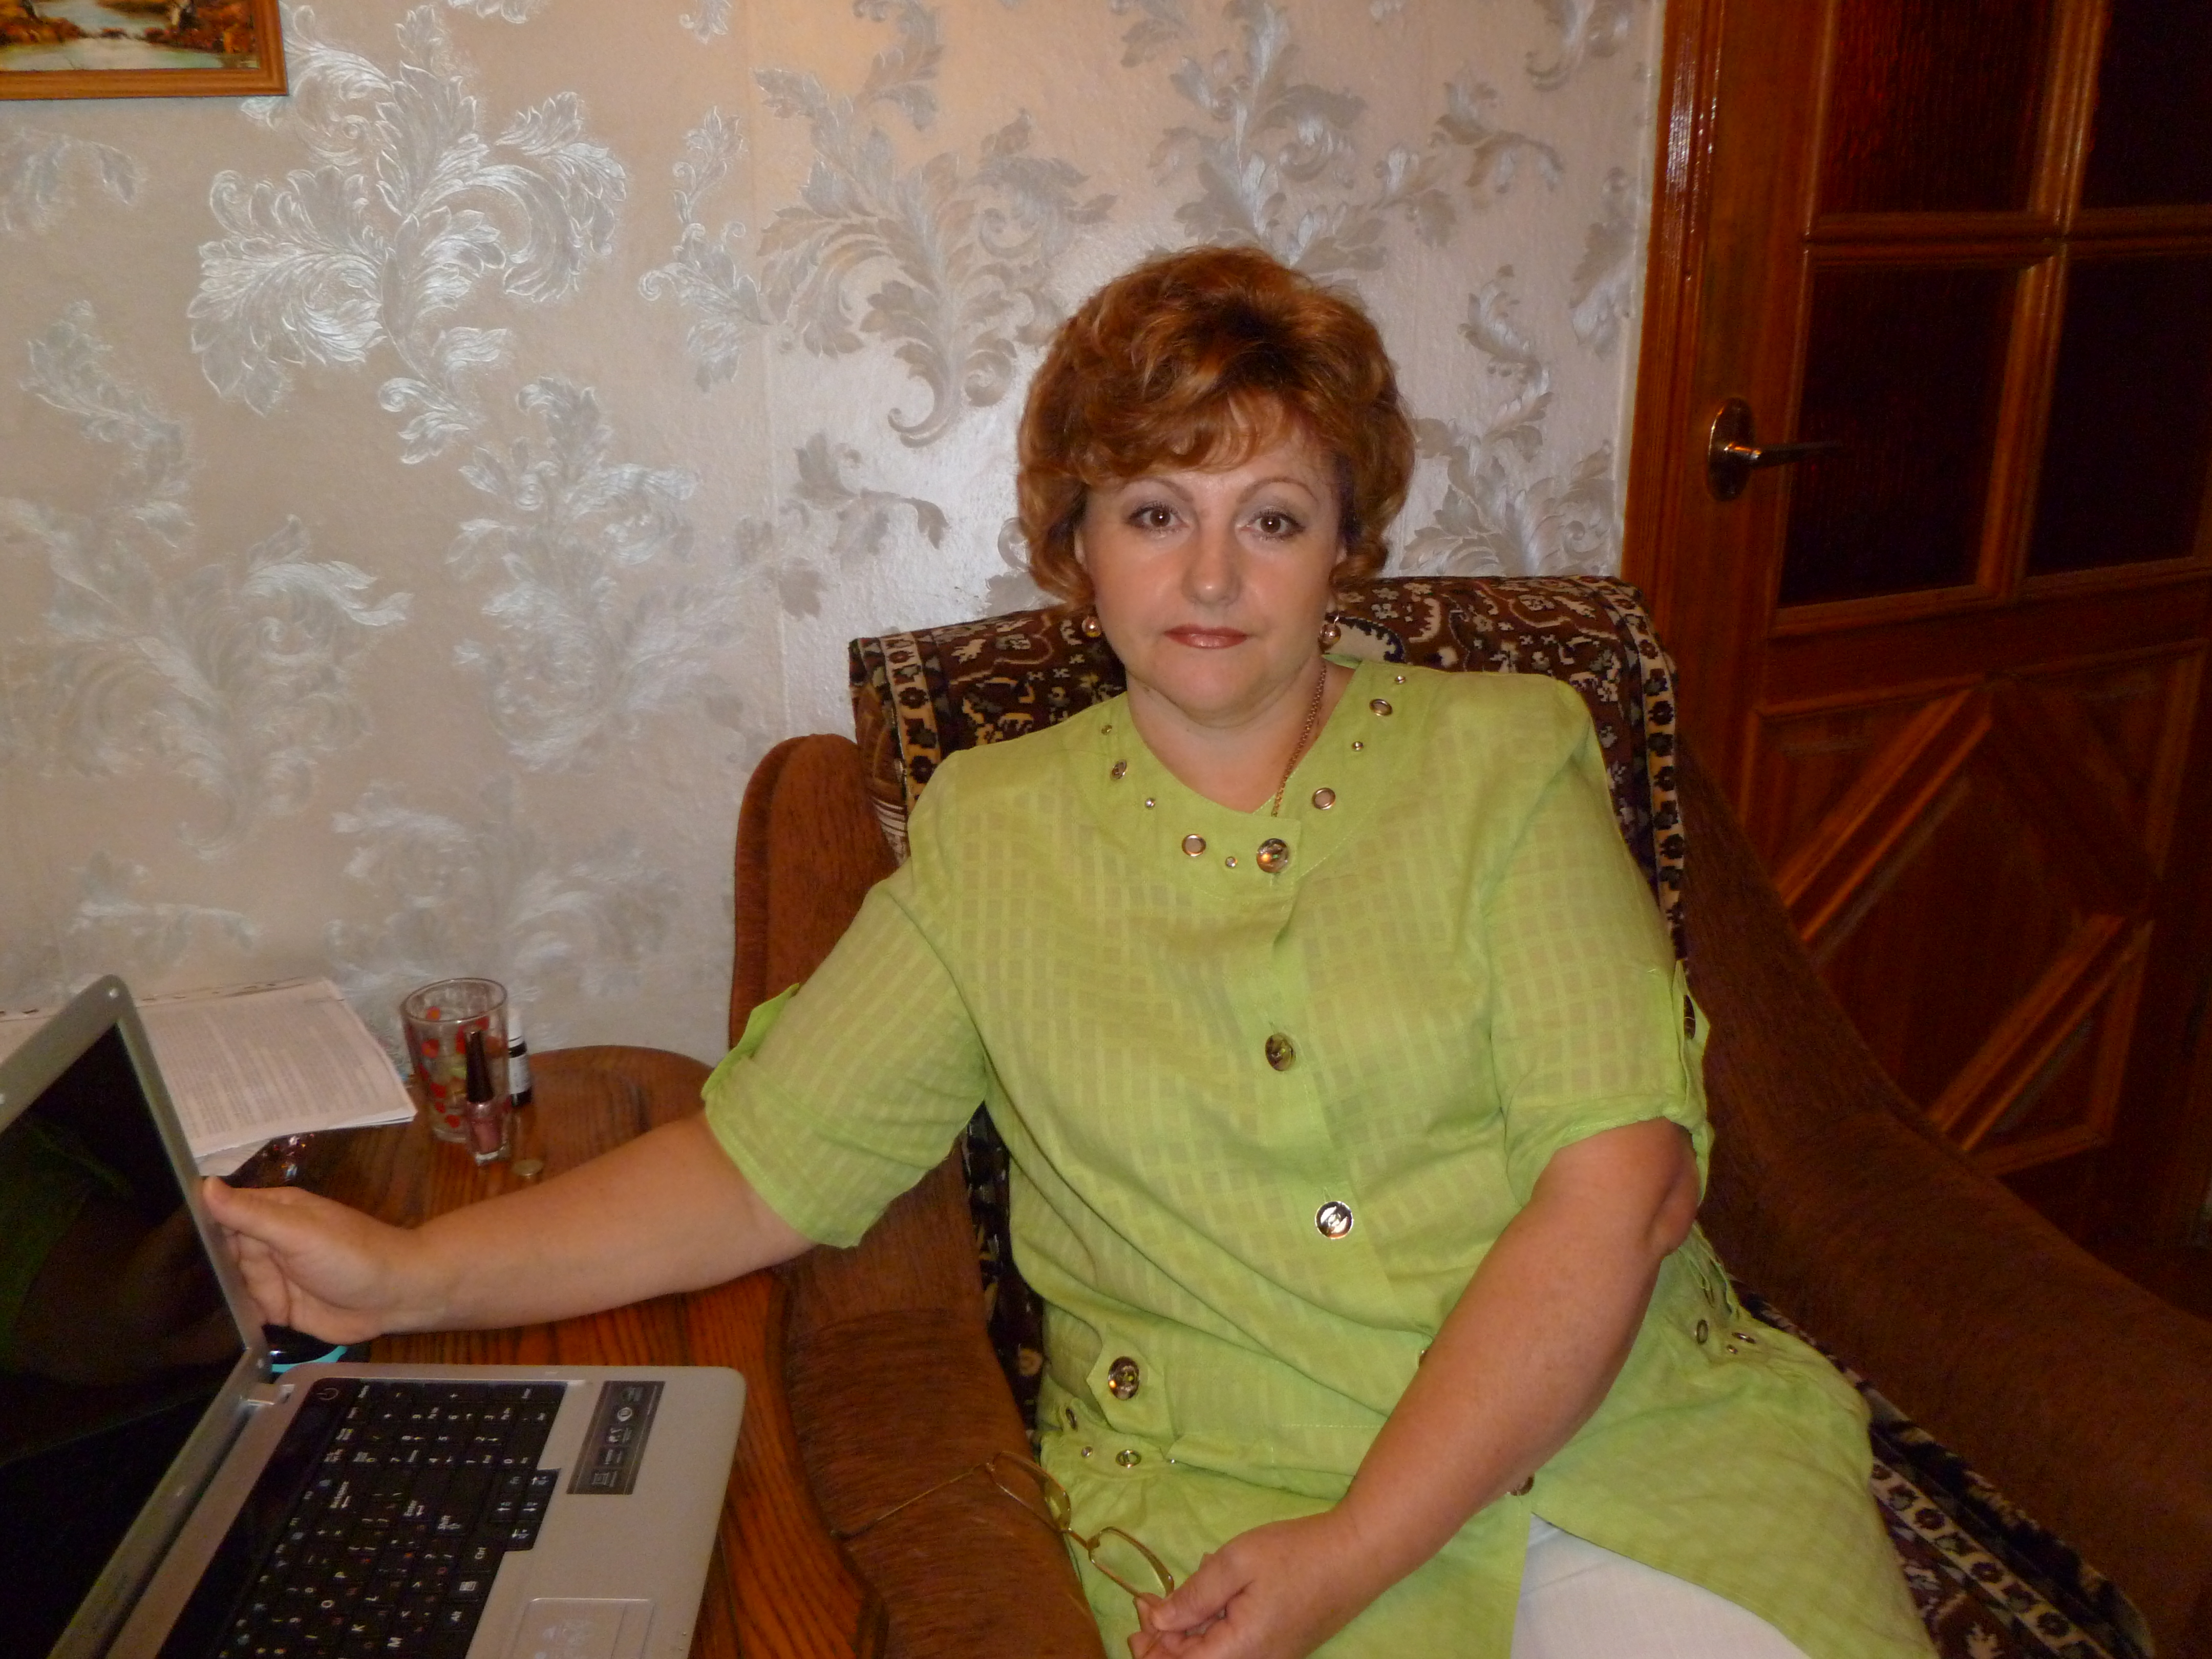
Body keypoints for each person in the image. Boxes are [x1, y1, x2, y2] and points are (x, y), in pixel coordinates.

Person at [205, 246, 1934, 1659]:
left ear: (1346, 548)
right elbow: (763, 1164)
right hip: (1227, 1506)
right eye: (1156, 511)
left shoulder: (1507, 757)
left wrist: (1356, 1548)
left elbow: (1621, 1187)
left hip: (1630, 1448)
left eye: (1274, 517)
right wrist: (410, 1278)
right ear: (1075, 545)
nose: (1213, 575)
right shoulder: (996, 837)